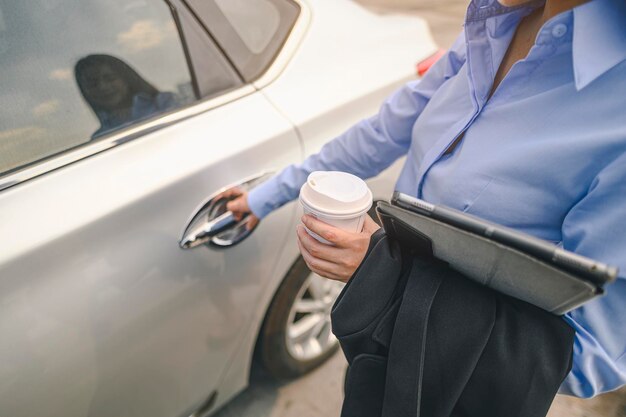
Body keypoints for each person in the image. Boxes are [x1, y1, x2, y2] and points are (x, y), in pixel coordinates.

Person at [225, 0, 626, 399]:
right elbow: (386, 129)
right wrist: (269, 193)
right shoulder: (497, 22)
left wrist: (382, 277)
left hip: (448, 391)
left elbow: (594, 356)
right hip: (374, 347)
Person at [75, 54, 177, 138]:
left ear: (126, 78)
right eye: (92, 84)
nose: (102, 87)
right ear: (85, 92)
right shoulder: (100, 138)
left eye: (110, 78)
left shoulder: (166, 103)